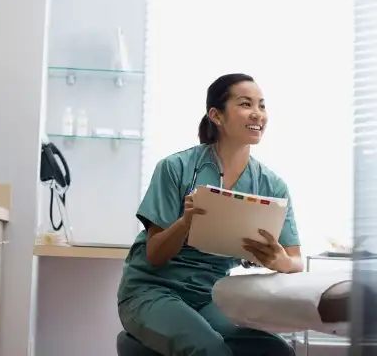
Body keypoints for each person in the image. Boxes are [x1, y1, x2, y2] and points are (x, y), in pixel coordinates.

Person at [117, 73, 303, 356]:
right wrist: (186, 222)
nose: (258, 114)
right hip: (152, 291)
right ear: (216, 115)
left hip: (209, 296)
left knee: (275, 352)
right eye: (245, 104)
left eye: (262, 106)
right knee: (210, 349)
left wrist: (280, 261)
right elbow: (155, 254)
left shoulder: (271, 185)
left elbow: (296, 260)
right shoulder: (175, 168)